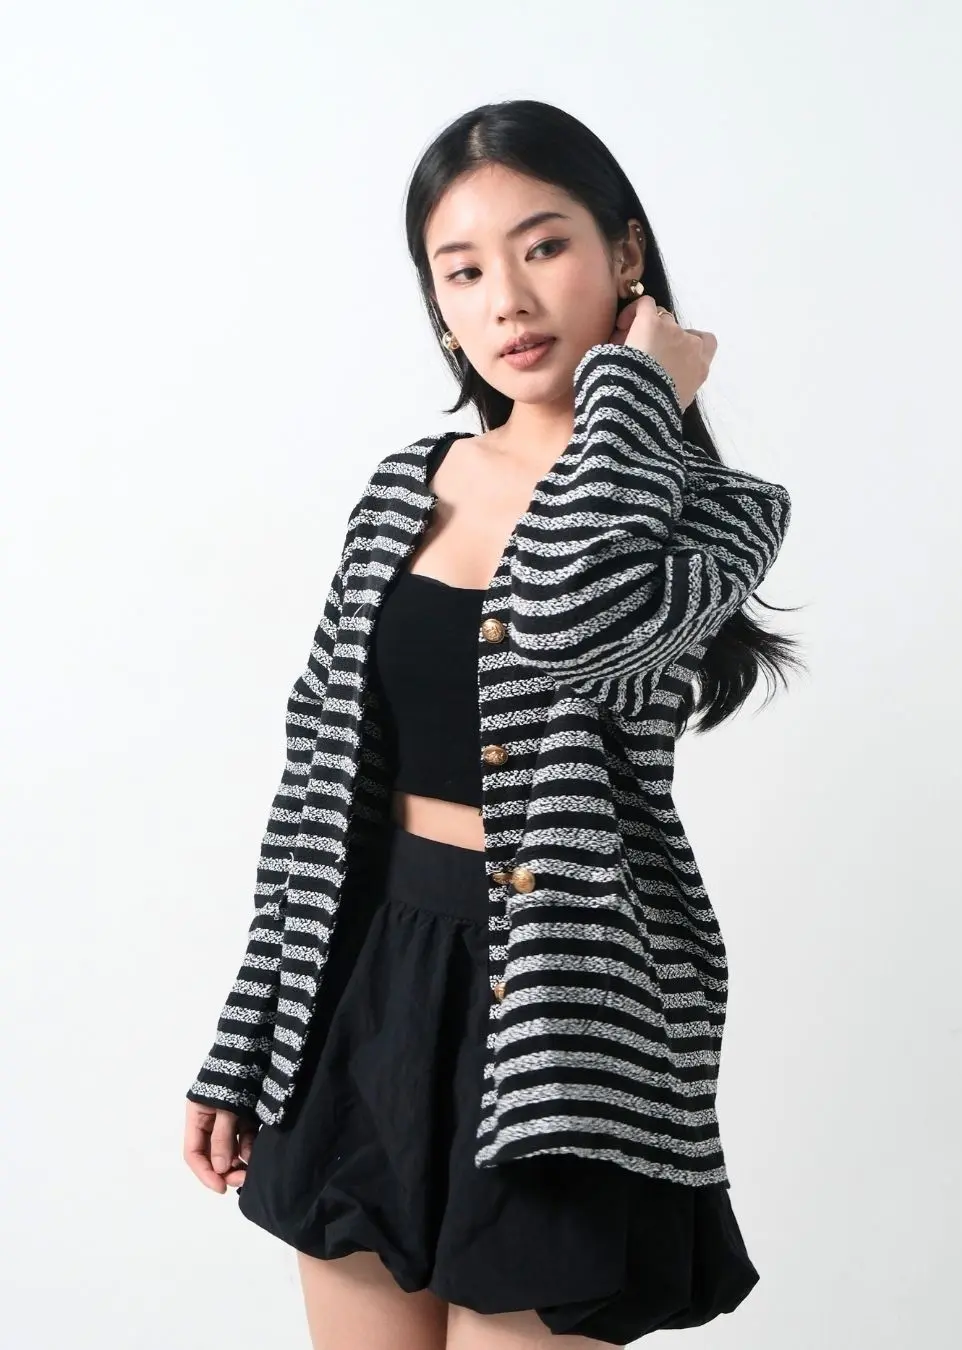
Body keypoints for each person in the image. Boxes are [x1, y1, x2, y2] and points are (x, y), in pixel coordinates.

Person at [182, 99, 801, 1350]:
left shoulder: (719, 512)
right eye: (461, 270)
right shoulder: (403, 490)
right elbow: (312, 786)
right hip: (364, 985)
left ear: (626, 255)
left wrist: (634, 395)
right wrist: (245, 1036)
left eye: (544, 247)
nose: (507, 300)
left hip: (568, 1018)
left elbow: (569, 618)